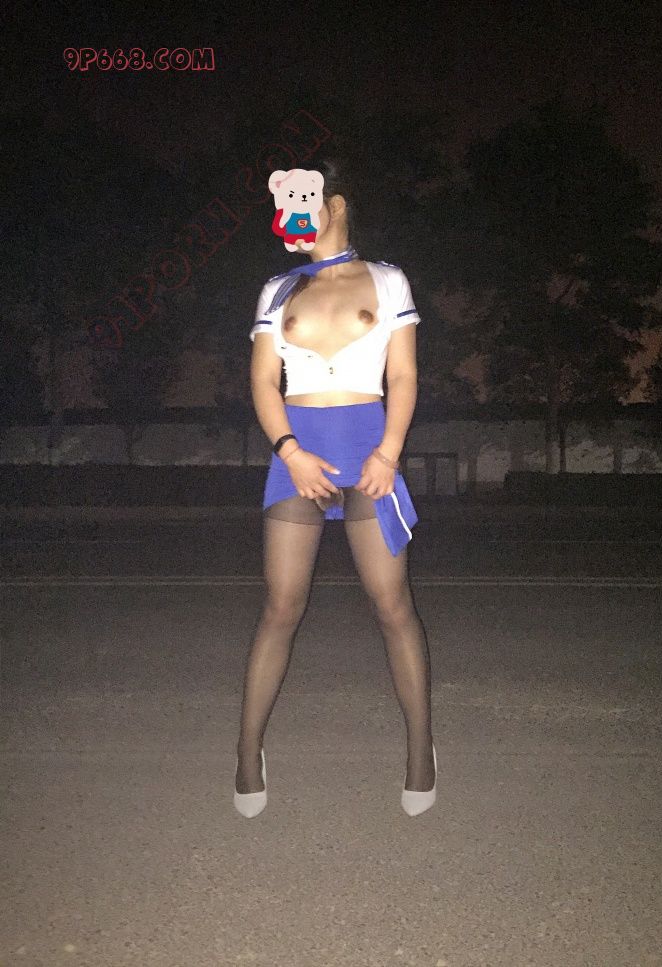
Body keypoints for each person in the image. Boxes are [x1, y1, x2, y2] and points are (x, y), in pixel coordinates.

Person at [235, 157, 436, 818]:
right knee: (280, 606)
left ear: (337, 203)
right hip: (298, 455)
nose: (294, 212)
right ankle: (247, 753)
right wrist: (289, 451)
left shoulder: (387, 279)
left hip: (369, 450)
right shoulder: (276, 289)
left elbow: (402, 376)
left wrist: (389, 453)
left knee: (392, 604)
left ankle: (420, 750)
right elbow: (263, 381)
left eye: (306, 198)